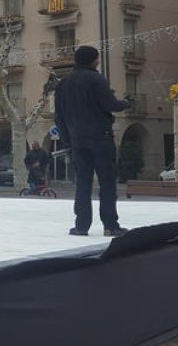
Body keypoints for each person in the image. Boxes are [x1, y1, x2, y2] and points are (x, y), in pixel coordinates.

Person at [54, 45, 131, 237]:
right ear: (93, 60)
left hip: (77, 141)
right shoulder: (96, 79)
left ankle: (81, 226)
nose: (98, 61)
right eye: (97, 58)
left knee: (82, 183)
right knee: (107, 182)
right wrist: (126, 103)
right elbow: (110, 104)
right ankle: (110, 225)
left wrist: (68, 140)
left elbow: (59, 116)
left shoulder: (63, 84)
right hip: (100, 137)